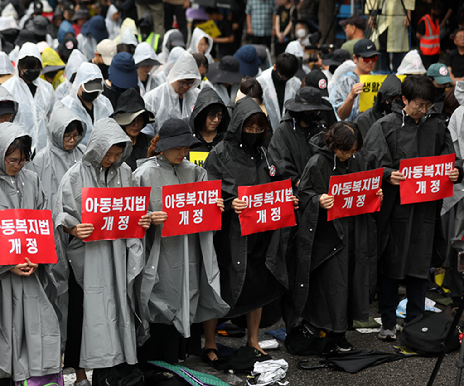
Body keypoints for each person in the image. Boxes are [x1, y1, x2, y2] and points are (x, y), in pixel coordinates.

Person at [362, 75, 462, 341]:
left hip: (426, 210)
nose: (424, 110)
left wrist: (456, 171)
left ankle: (417, 321)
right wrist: (387, 174)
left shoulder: (437, 126)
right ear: (404, 100)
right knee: (391, 264)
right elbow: (368, 165)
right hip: (395, 210)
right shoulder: (385, 126)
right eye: (419, 104)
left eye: (428, 105)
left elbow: (450, 158)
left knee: (420, 263)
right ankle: (387, 320)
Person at [52, 118, 151, 384]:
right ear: (96, 148)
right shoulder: (74, 176)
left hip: (118, 255)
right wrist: (73, 229)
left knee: (119, 307)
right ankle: (82, 372)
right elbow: (60, 214)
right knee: (83, 314)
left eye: (118, 154)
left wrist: (143, 219)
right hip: (87, 258)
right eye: (108, 153)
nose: (112, 159)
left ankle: (117, 366)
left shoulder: (124, 173)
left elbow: (134, 209)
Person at [204, 97, 299, 359]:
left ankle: (253, 339)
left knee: (257, 283)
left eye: (260, 129)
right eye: (250, 128)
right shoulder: (220, 152)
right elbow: (211, 190)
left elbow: (277, 181)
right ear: (238, 125)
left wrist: (286, 198)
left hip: (260, 232)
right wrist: (228, 201)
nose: (255, 134)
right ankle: (210, 341)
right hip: (230, 235)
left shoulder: (265, 153)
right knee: (221, 284)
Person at [133, 118, 229, 366]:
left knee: (186, 293)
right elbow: (131, 217)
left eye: (186, 147)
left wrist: (215, 207)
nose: (183, 152)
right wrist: (148, 219)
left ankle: (178, 358)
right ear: (162, 146)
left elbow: (206, 210)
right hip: (158, 251)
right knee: (158, 296)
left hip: (188, 251)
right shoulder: (143, 174)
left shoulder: (195, 171)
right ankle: (153, 363)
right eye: (177, 147)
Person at [0, 123, 61, 385]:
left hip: (30, 273)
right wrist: (7, 264)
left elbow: (41, 222)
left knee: (32, 335)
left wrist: (38, 257)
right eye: (12, 160)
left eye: (22, 160)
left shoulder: (32, 179)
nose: (17, 165)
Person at [293, 121, 380, 351]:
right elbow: (302, 196)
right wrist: (318, 200)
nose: (349, 155)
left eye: (354, 151)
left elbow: (364, 184)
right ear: (333, 145)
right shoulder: (318, 162)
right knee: (333, 284)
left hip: (353, 230)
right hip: (329, 236)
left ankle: (341, 332)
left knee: (351, 281)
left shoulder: (355, 159)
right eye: (345, 151)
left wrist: (374, 192)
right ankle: (329, 332)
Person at [268, 87, 331, 191]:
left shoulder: (320, 127)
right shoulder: (284, 130)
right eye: (307, 112)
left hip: (319, 188)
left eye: (315, 112)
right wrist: (298, 182)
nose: (312, 115)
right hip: (295, 190)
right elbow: (278, 161)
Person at [28, 105, 86, 207]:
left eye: (75, 135)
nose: (72, 140)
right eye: (67, 136)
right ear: (56, 134)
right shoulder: (42, 159)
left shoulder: (82, 152)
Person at [2, 42, 55, 152]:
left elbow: (52, 115)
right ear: (19, 67)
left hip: (43, 148)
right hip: (17, 149)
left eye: (36, 70)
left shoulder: (47, 88)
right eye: (29, 70)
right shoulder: (8, 88)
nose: (32, 73)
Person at [143, 51, 202, 136]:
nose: (186, 87)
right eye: (182, 82)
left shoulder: (197, 95)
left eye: (190, 83)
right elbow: (147, 130)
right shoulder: (154, 98)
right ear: (174, 77)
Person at [60, 62, 114, 145]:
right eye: (89, 88)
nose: (92, 93)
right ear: (79, 84)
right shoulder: (66, 106)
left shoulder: (105, 104)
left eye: (95, 89)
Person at [329, 39, 379, 122]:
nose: (370, 62)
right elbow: (340, 115)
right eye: (366, 58)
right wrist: (351, 96)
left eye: (374, 58)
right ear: (355, 58)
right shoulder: (343, 83)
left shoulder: (379, 80)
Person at [111, 88, 155, 170]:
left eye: (140, 119)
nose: (136, 125)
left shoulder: (151, 144)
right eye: (131, 120)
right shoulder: (112, 145)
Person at [257, 52, 300, 133]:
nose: (284, 80)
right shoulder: (262, 81)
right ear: (275, 67)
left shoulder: (295, 83)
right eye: (282, 77)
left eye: (287, 78)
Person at [367, 0, 414, 73]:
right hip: (381, 15)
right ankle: (384, 70)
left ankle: (397, 71)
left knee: (399, 46)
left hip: (398, 14)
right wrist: (372, 14)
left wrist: (408, 12)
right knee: (381, 45)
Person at [188, 86, 230, 163]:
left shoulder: (226, 140)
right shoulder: (189, 140)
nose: (216, 120)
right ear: (201, 115)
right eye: (212, 115)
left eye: (219, 115)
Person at [355, 74, 402, 139]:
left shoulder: (407, 118)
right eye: (391, 99)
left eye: (397, 100)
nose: (394, 104)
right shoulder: (364, 120)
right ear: (383, 99)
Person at [416, 3, 441, 70]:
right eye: (437, 10)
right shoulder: (424, 20)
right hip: (426, 52)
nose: (438, 12)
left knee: (434, 71)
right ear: (432, 10)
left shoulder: (436, 20)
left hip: (435, 51)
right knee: (427, 71)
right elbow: (418, 35)